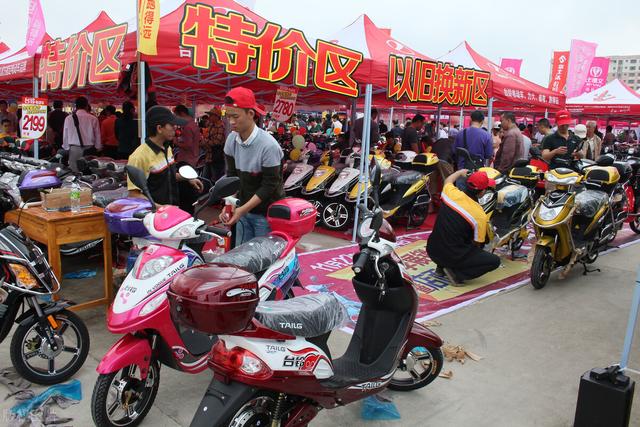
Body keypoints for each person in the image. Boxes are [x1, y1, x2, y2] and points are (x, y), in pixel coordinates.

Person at [220, 87, 285, 245]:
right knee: (242, 254)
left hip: (266, 213)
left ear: (251, 114)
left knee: (262, 258)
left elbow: (269, 185)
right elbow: (232, 177)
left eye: (235, 116)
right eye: (228, 117)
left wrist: (242, 209)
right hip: (243, 209)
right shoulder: (231, 140)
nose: (231, 122)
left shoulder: (268, 145)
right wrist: (228, 204)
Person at [427, 169, 500, 285]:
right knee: (494, 261)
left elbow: (448, 180)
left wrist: (460, 172)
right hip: (452, 255)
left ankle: (441, 267)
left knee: (449, 234)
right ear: (482, 192)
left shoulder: (451, 192)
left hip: (432, 249)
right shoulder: (479, 214)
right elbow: (478, 243)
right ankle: (456, 274)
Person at [127, 105, 203, 206]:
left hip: (171, 211)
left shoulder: (168, 148)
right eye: (172, 125)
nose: (175, 127)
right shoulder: (139, 157)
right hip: (154, 218)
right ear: (159, 128)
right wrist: (159, 208)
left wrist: (188, 179)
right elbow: (134, 194)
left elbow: (167, 176)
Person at [62, 96, 102, 172]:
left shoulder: (68, 118)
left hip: (74, 149)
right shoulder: (93, 118)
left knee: (74, 171)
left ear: (76, 106)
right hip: (89, 149)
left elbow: (65, 135)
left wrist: (66, 147)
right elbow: (97, 134)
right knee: (89, 171)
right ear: (87, 106)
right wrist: (98, 147)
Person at [202, 107, 227, 182]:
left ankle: (213, 193)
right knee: (205, 178)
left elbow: (217, 142)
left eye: (211, 115)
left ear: (216, 116)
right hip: (209, 156)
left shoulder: (221, 127)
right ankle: (206, 192)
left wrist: (204, 141)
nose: (209, 117)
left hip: (216, 157)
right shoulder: (210, 125)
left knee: (216, 179)